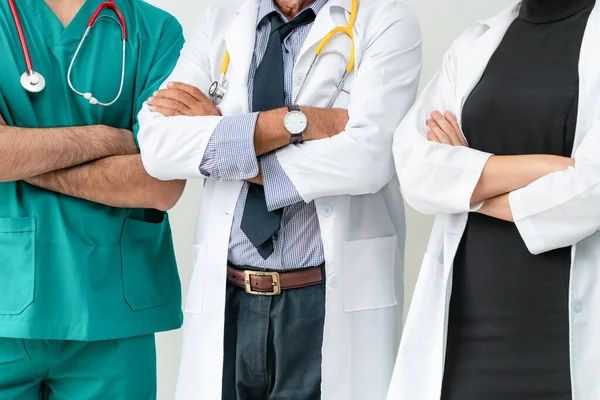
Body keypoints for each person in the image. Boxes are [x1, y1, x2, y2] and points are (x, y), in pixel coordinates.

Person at [136, 0, 422, 398]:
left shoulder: (384, 17)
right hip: (229, 295)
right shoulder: (221, 20)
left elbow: (367, 158)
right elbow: (159, 146)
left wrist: (222, 137)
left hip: (321, 302)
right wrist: (295, 121)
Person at [389, 0, 600, 399]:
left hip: (565, 333)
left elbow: (590, 190)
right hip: (468, 332)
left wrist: (467, 185)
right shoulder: (475, 42)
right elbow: (415, 166)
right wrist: (545, 166)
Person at [0, 0, 185, 398]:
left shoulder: (155, 32)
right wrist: (108, 138)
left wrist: (23, 154)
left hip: (111, 315)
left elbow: (160, 185)